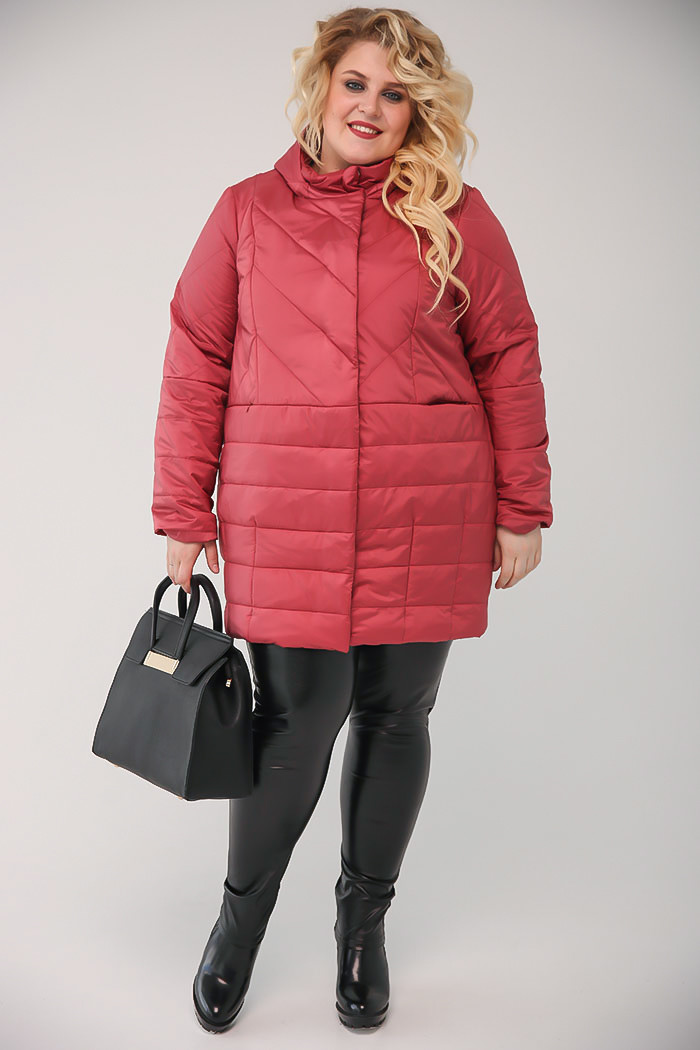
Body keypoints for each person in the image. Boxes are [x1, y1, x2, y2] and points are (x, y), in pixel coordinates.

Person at [151, 7, 553, 1034]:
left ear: (418, 109)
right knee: (292, 724)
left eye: (396, 92)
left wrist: (521, 506)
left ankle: (361, 928)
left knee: (396, 716)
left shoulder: (456, 214)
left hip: (429, 506)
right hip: (287, 511)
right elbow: (197, 357)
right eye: (357, 83)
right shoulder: (245, 212)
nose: (371, 107)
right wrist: (182, 508)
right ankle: (239, 925)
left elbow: (507, 353)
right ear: (323, 85)